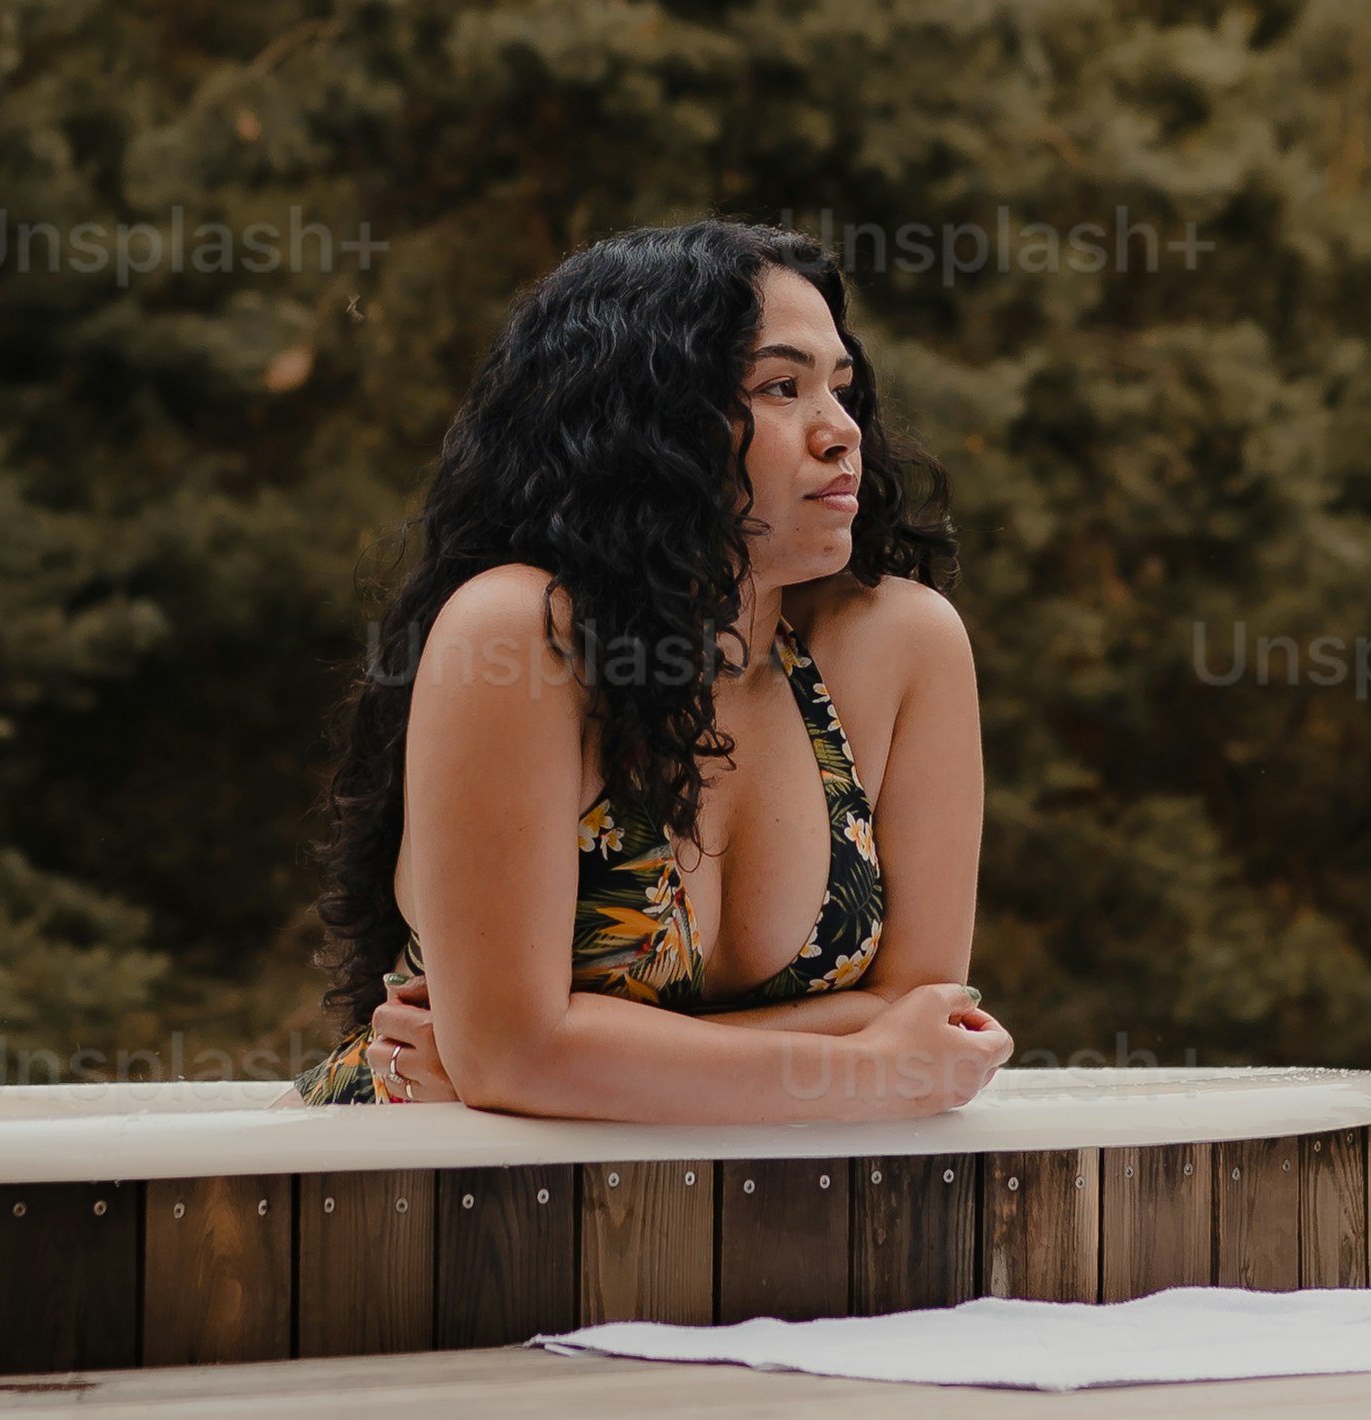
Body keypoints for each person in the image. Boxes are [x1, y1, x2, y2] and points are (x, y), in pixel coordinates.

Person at [304, 217, 1008, 1121]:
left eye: (843, 387)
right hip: (402, 1205)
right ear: (650, 422)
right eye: (780, 387)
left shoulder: (905, 645)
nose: (840, 433)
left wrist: (561, 1057)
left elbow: (925, 1020)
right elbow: (515, 1057)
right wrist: (864, 1066)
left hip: (742, 1222)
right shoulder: (522, 636)